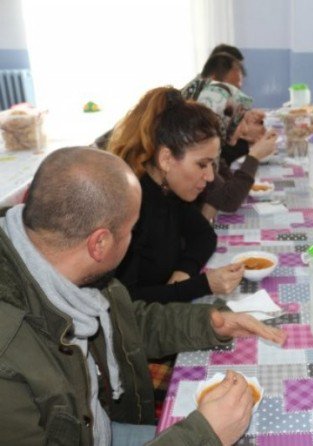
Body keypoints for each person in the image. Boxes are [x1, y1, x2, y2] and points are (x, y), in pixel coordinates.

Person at [0, 146, 286, 445]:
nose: (134, 239)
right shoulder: (7, 358)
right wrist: (203, 437)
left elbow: (127, 322)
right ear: (99, 244)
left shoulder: (63, 264)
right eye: (131, 230)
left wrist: (208, 323)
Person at [108, 87, 245, 304]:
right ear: (166, 159)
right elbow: (126, 302)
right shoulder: (128, 208)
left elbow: (204, 236)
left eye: (212, 164)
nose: (210, 176)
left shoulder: (167, 190)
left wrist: (184, 272)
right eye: (202, 164)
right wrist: (203, 285)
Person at [181, 52, 278, 219]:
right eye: (240, 120)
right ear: (221, 119)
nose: (246, 129)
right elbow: (229, 200)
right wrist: (254, 156)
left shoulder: (215, 150)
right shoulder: (196, 149)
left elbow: (226, 186)